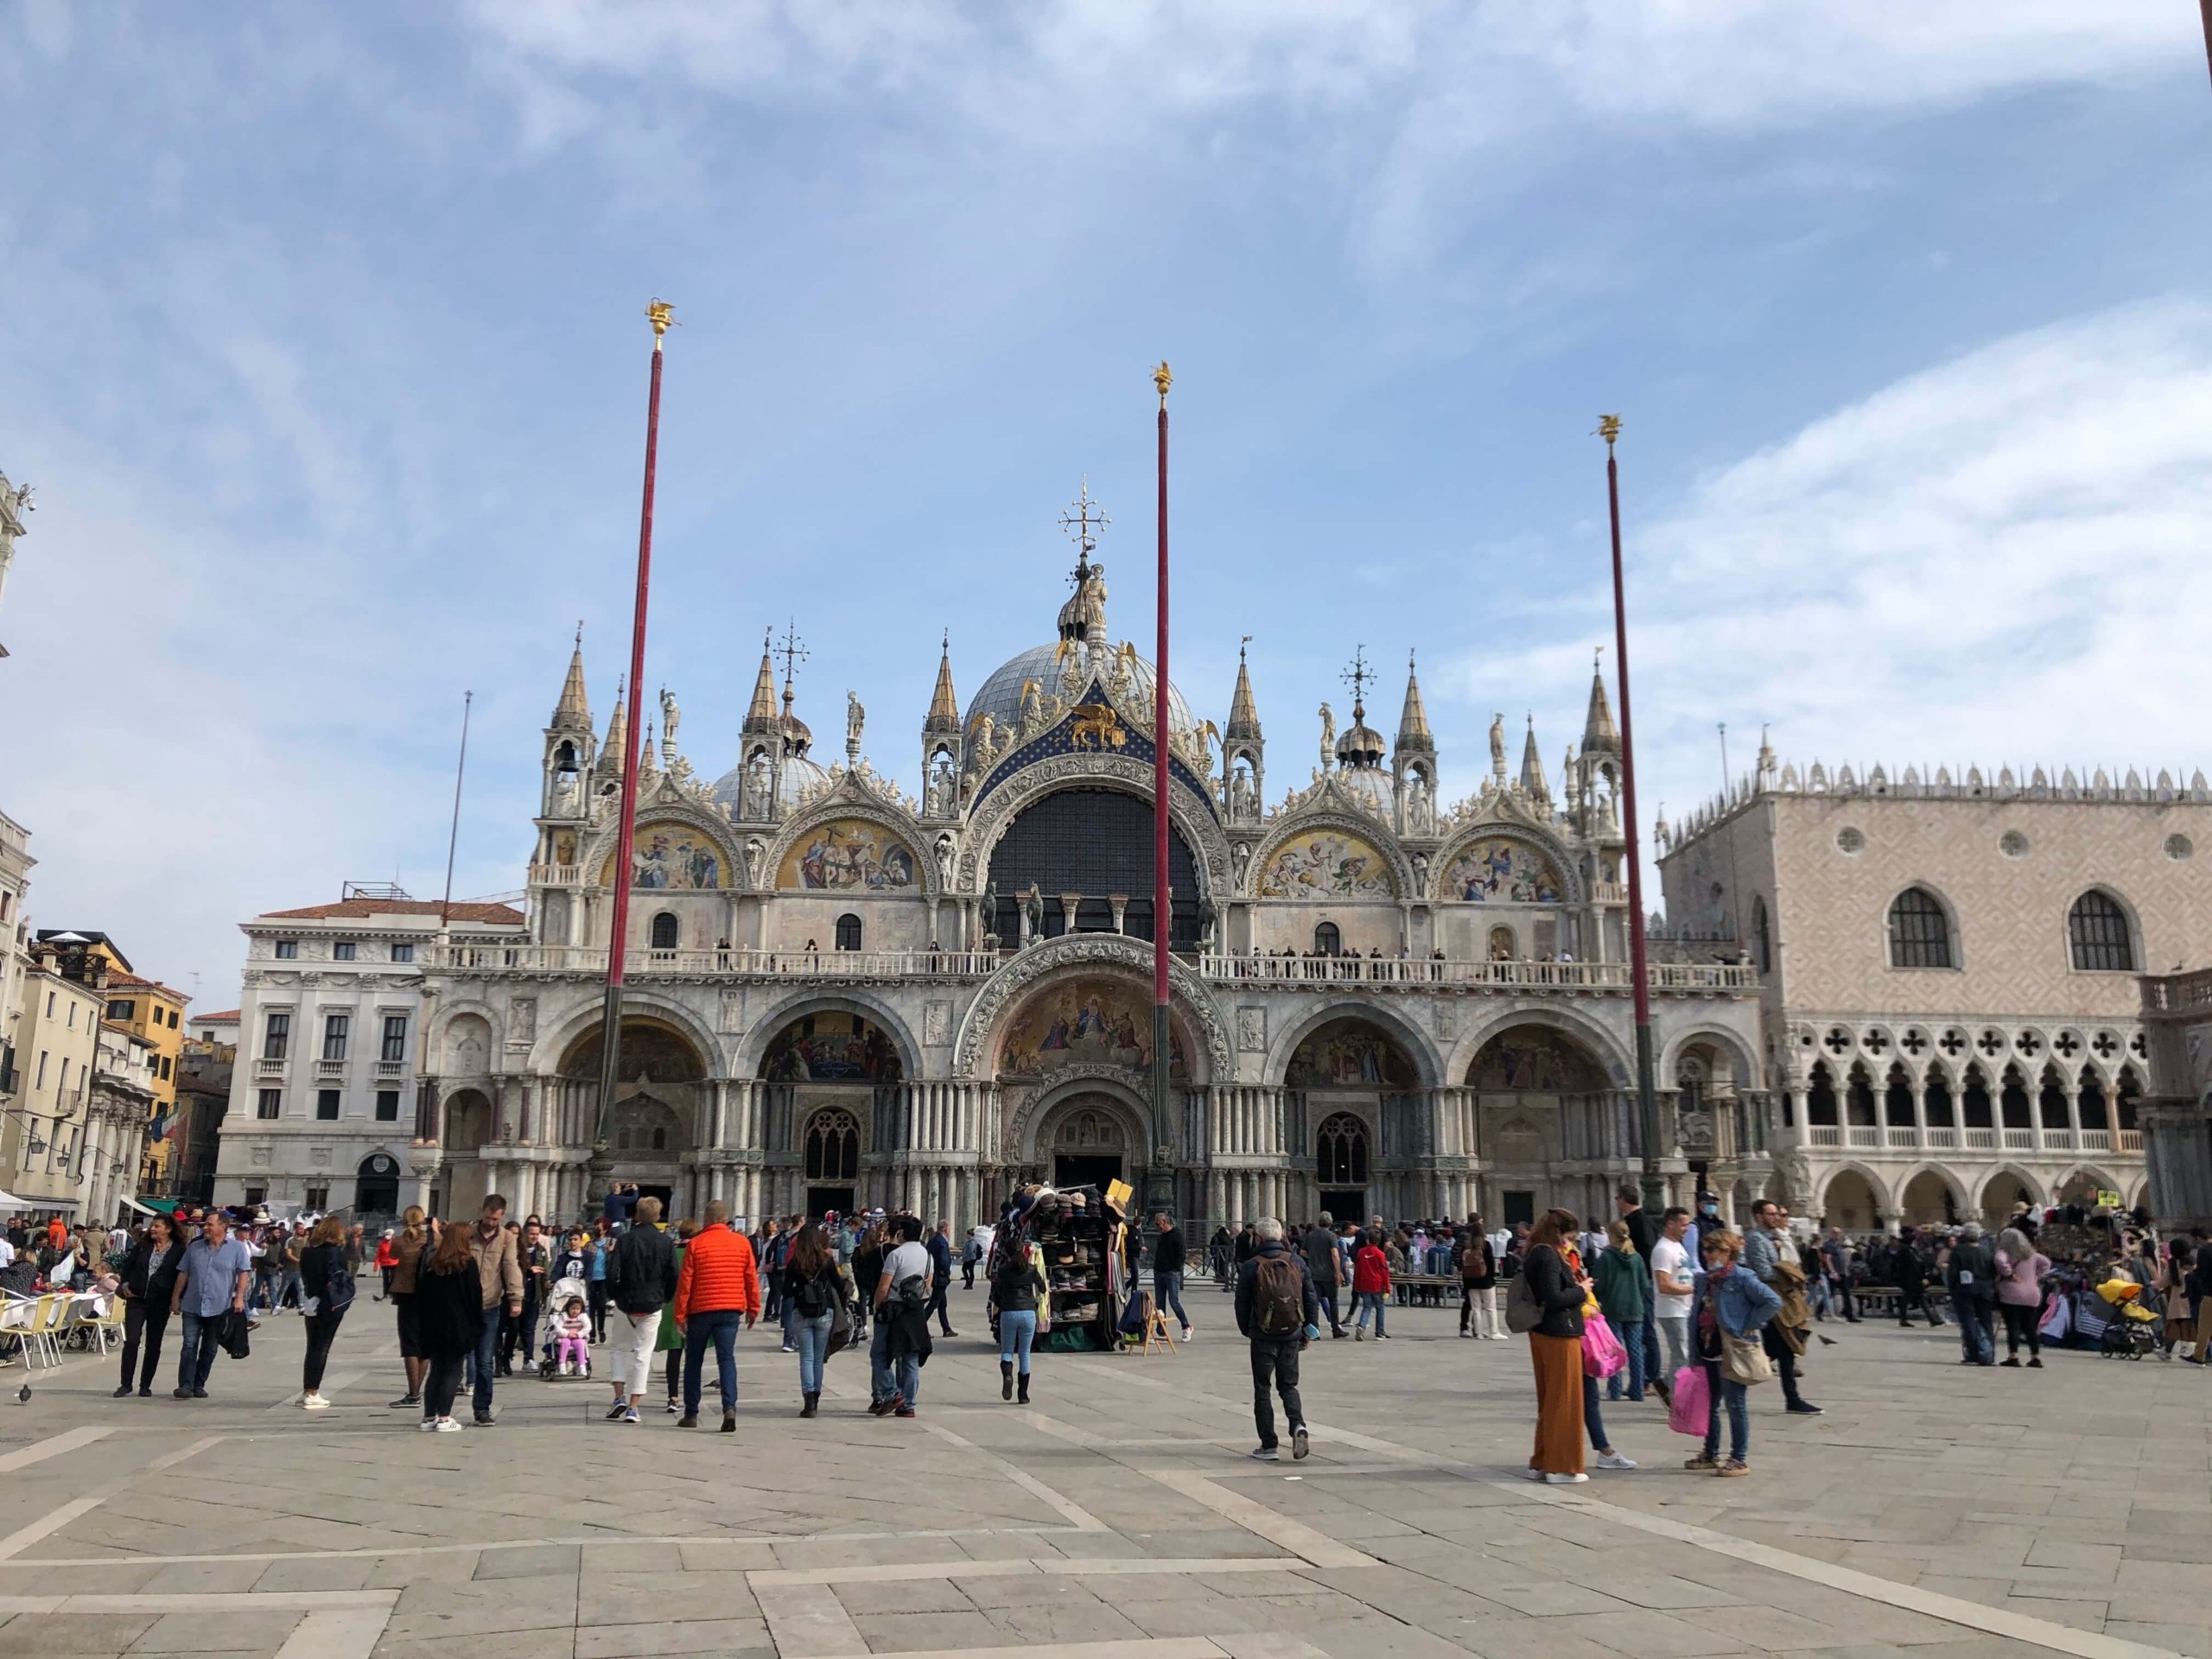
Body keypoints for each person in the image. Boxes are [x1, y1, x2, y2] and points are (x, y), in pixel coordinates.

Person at [1687, 1227, 1783, 1477]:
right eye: (1705, 1249)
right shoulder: (1704, 1279)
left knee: (1735, 1405)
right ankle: (1710, 1452)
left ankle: (1739, 1457)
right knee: (1709, 1404)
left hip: (1733, 1348)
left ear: (1728, 1251)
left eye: (1712, 1249)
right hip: (1707, 1347)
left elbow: (1772, 1301)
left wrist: (1748, 1323)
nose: (1707, 1254)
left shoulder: (1742, 1278)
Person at [1234, 1217, 1317, 1462]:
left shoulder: (1251, 1265)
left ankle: (1269, 1445)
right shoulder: (1297, 1262)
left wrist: (1247, 1330)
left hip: (1262, 1334)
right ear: (1282, 1238)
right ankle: (1297, 1425)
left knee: (1263, 1389)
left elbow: (1241, 1303)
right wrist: (1309, 1330)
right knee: (1288, 1386)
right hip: (1292, 1332)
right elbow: (1310, 1297)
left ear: (1257, 1239)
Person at [675, 1200, 760, 1431]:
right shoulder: (742, 1243)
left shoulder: (695, 1244)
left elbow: (685, 1284)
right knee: (727, 1359)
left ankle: (691, 1413)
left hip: (701, 1310)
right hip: (730, 1309)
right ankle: (729, 1409)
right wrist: (754, 1308)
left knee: (694, 1360)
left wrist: (680, 1314)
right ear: (726, 1219)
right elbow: (751, 1278)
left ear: (707, 1219)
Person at [1520, 1208, 1589, 1484]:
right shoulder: (1547, 1255)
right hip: (1560, 1332)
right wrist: (1582, 1291)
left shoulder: (1536, 1251)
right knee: (1565, 1400)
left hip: (1544, 1332)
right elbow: (1553, 1297)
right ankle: (1561, 1466)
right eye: (1568, 1236)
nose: (1568, 1243)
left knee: (1550, 1401)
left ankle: (1541, 1460)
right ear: (1559, 1231)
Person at [1743, 1201, 1821, 1414]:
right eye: (1771, 1214)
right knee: (1783, 1348)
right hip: (1770, 1301)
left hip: (1779, 1299)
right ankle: (1792, 1399)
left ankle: (1728, 1381)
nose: (1776, 1217)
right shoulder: (1756, 1240)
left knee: (1776, 1350)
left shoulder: (1772, 1239)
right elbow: (1762, 1272)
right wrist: (1789, 1274)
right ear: (1758, 1216)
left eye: (1777, 1213)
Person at [606, 1196, 678, 1425]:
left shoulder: (625, 1240)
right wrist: (665, 1297)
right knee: (643, 1354)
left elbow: (612, 1270)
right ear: (658, 1216)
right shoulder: (666, 1242)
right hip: (653, 1304)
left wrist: (615, 1295)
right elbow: (673, 1275)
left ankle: (619, 1397)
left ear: (636, 1215)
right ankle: (634, 1407)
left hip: (626, 1302)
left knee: (618, 1348)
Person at [169, 1210, 251, 1399]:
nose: (205, 1227)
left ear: (223, 1226)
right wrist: (175, 1297)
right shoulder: (195, 1248)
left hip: (219, 1306)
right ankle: (185, 1385)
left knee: (210, 1347)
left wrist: (239, 1298)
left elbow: (243, 1274)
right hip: (192, 1304)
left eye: (209, 1224)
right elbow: (183, 1273)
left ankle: (199, 1383)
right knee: (189, 1345)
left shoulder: (237, 1248)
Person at [415, 1219, 486, 1433]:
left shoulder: (433, 1263)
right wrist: (477, 1325)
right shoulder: (467, 1264)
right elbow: (475, 1298)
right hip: (458, 1325)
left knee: (436, 1370)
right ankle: (445, 1417)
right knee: (453, 1370)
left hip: (434, 1325)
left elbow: (422, 1296)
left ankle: (429, 1417)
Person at [465, 1198, 524, 1427]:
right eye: (488, 1217)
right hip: (465, 1305)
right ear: (482, 1211)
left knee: (485, 1360)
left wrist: (515, 1297)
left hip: (490, 1305)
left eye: (496, 1219)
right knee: (453, 1357)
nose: (491, 1222)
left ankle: (482, 1408)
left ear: (502, 1216)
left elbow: (510, 1267)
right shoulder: (467, 1233)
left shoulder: (507, 1238)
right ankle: (442, 1409)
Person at [115, 1214, 186, 1397]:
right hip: (136, 1298)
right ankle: (125, 1383)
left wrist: (176, 1298)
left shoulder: (178, 1250)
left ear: (168, 1229)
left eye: (157, 1226)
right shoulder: (142, 1246)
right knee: (131, 1340)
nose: (153, 1229)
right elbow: (127, 1267)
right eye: (153, 1226)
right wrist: (125, 1285)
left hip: (159, 1301)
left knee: (153, 1344)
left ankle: (145, 1385)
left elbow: (182, 1275)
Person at [872, 1215, 934, 1417]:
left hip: (893, 1310)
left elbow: (883, 1286)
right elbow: (928, 1287)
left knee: (879, 1354)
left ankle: (891, 1392)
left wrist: (877, 1306)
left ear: (901, 1233)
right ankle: (908, 1405)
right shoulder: (928, 1256)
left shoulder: (896, 1255)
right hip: (915, 1311)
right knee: (911, 1358)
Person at [783, 1220, 842, 1418]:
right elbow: (839, 1285)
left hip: (802, 1312)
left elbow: (786, 1292)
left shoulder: (795, 1262)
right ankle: (815, 1399)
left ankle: (808, 1402)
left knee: (806, 1358)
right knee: (818, 1359)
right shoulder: (826, 1260)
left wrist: (801, 1290)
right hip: (824, 1312)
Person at [297, 1215, 355, 1410]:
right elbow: (343, 1276)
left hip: (310, 1300)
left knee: (312, 1346)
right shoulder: (336, 1252)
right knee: (322, 1347)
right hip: (329, 1302)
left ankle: (307, 1389)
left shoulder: (307, 1251)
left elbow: (305, 1276)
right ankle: (313, 1392)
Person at [1592, 1221, 1649, 1402]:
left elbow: (1599, 1284)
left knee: (1614, 1350)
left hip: (1613, 1307)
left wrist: (1597, 1299)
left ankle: (1615, 1390)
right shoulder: (1637, 1258)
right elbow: (1644, 1284)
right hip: (1635, 1307)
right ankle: (1637, 1390)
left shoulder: (1606, 1258)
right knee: (1635, 1350)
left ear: (1610, 1235)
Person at [992, 1231, 1047, 1404]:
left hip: (1009, 1312)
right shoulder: (1030, 1269)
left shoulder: (1003, 1270)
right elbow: (1043, 1288)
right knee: (1024, 1353)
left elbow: (997, 1293)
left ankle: (1007, 1375)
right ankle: (1023, 1395)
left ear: (1007, 1253)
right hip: (1028, 1313)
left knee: (1007, 1350)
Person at [386, 1206, 430, 1408]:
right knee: (424, 1344)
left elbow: (393, 1255)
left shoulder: (400, 1241)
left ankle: (413, 1393)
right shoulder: (430, 1240)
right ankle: (416, 1391)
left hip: (406, 1294)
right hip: (428, 1295)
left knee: (409, 1344)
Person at [1649, 1206, 1696, 1381]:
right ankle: (1674, 1398)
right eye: (1683, 1225)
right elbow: (1664, 1285)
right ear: (1670, 1224)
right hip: (1672, 1310)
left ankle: (1668, 1386)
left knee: (1686, 1355)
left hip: (1684, 1308)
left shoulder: (1678, 1246)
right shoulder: (1663, 1249)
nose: (1687, 1228)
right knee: (1681, 1355)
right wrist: (1693, 1289)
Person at [1996, 1224, 2051, 1368]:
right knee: (2030, 1327)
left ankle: (2013, 1356)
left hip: (2011, 1293)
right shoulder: (2031, 1254)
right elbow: (2046, 1263)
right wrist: (2036, 1276)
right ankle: (2035, 1356)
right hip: (2032, 1293)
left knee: (2013, 1325)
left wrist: (2009, 1273)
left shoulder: (2005, 1252)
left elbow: (1999, 1261)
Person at [1944, 1223, 1999, 1367]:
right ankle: (1988, 1353)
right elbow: (1993, 1272)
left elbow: (1952, 1273)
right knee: (1986, 1321)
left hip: (1965, 1290)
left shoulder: (1958, 1250)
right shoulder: (1987, 1252)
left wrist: (1951, 1289)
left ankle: (1973, 1353)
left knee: (1968, 1321)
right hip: (1985, 1289)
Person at [1300, 1214, 1345, 1338]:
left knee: (1314, 1304)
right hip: (1329, 1274)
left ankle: (1315, 1332)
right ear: (1330, 1223)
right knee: (1333, 1302)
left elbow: (1302, 1252)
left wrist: (1313, 1258)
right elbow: (1335, 1254)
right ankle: (1335, 1329)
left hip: (1314, 1274)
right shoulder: (1331, 1236)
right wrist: (1338, 1272)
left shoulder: (1311, 1235)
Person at [1151, 1212, 1193, 1341]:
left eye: (1158, 1224)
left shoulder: (1177, 1235)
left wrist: (1176, 1268)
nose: (1157, 1227)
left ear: (1165, 1222)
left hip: (1171, 1273)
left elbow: (1181, 1254)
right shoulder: (1161, 1237)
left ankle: (1186, 1326)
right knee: (1159, 1304)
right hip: (1159, 1272)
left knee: (1174, 1301)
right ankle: (1161, 1331)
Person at [1459, 1224, 1500, 1339]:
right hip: (1485, 1280)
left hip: (1470, 1280)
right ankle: (1494, 1332)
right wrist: (1492, 1277)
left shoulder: (1467, 1246)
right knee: (1490, 1306)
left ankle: (1478, 1332)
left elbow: (1462, 1263)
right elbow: (1490, 1263)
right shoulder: (1485, 1244)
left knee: (1476, 1308)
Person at [1351, 1227, 1391, 1339]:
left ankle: (1361, 1326)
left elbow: (1358, 1270)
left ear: (1367, 1240)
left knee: (1367, 1307)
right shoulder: (1380, 1254)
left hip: (1364, 1284)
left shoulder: (1361, 1252)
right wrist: (1387, 1288)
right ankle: (1380, 1331)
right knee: (1380, 1307)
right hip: (1377, 1285)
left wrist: (1357, 1285)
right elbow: (1384, 1272)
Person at [925, 1219, 958, 1338]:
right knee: (934, 1302)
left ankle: (946, 1328)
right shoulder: (942, 1243)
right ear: (945, 1229)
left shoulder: (932, 1241)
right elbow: (944, 1261)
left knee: (942, 1303)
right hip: (940, 1277)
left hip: (933, 1274)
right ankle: (920, 1326)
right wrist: (948, 1273)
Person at [1821, 1226, 1860, 1323]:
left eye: (1839, 1233)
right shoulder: (1829, 1245)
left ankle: (1850, 1315)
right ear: (1832, 1233)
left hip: (1842, 1273)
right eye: (1836, 1233)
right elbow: (1827, 1259)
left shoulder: (1838, 1245)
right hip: (1834, 1273)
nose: (1838, 1235)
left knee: (1846, 1294)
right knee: (1829, 1293)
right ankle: (1819, 1311)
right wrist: (1832, 1271)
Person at [586, 1219, 613, 1344]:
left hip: (604, 1278)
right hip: (592, 1278)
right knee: (591, 1307)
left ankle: (601, 1330)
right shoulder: (590, 1244)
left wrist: (611, 1251)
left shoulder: (611, 1243)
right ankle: (592, 1334)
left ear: (605, 1230)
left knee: (601, 1306)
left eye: (599, 1227)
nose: (596, 1229)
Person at [553, 1295, 591, 1375]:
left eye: (578, 1309)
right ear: (568, 1308)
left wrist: (579, 1334)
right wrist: (567, 1333)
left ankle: (582, 1365)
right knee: (565, 1342)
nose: (575, 1311)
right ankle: (562, 1364)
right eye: (573, 1308)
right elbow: (557, 1327)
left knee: (581, 1343)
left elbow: (588, 1327)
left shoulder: (582, 1317)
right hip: (564, 1337)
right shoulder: (564, 1317)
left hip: (576, 1337)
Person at [374, 1230, 397, 1301]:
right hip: (385, 1263)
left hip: (394, 1263)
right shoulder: (382, 1243)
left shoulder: (395, 1243)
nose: (388, 1236)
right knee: (385, 1280)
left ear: (393, 1235)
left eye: (389, 1234)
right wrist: (376, 1265)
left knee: (394, 1279)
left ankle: (391, 1293)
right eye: (387, 1234)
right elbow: (378, 1255)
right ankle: (385, 1294)